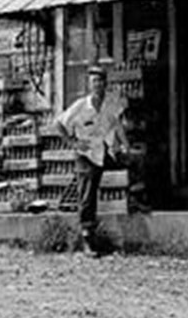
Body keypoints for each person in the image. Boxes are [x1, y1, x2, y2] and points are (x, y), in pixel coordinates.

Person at [54, 65, 127, 254]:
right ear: (89, 85)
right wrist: (72, 143)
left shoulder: (110, 104)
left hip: (104, 151)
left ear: (105, 84)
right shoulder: (80, 106)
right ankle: (87, 239)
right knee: (87, 196)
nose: (98, 85)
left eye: (101, 81)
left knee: (133, 167)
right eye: (94, 81)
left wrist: (125, 144)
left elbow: (117, 125)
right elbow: (59, 124)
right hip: (85, 154)